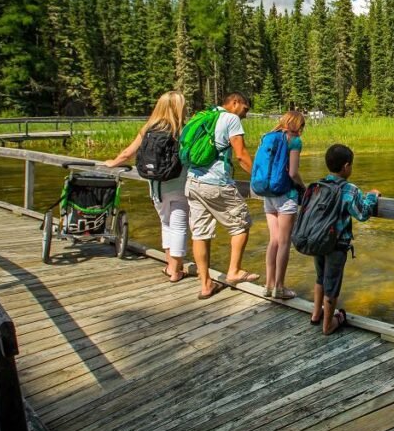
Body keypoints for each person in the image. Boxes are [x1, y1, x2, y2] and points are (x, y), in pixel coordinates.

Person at [104, 91, 188, 282]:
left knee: (166, 225)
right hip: (179, 186)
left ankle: (170, 266)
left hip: (156, 187)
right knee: (179, 227)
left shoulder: (149, 128)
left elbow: (128, 153)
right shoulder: (183, 130)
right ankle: (176, 270)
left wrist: (113, 162)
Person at [186, 92, 260, 300]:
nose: (245, 114)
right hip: (216, 182)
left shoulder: (205, 116)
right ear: (235, 103)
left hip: (193, 181)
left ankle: (205, 284)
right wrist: (260, 179)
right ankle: (234, 271)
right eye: (245, 109)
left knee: (200, 233)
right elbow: (241, 154)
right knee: (241, 224)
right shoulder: (231, 119)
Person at [309, 144, 380, 334]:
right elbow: (363, 214)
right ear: (346, 166)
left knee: (320, 277)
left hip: (317, 240)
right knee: (332, 283)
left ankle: (316, 315)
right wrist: (372, 196)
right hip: (337, 244)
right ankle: (328, 325)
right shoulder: (349, 189)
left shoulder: (319, 185)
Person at [258, 111, 307, 300]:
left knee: (274, 241)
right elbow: (293, 172)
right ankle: (280, 287)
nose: (302, 130)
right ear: (297, 125)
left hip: (267, 193)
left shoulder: (268, 137)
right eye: (302, 126)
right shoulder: (293, 140)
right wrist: (304, 187)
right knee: (285, 242)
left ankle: (268, 285)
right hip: (285, 195)